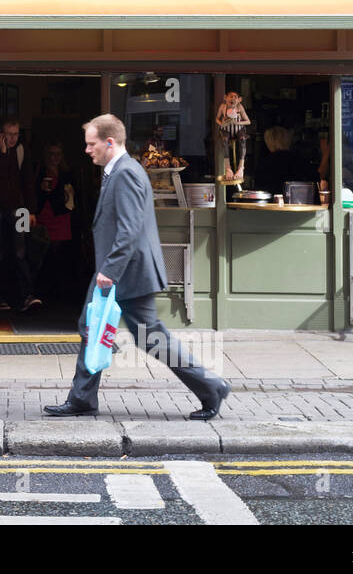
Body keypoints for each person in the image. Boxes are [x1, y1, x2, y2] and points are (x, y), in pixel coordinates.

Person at [45, 114, 231, 420]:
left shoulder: (126, 173)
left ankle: (210, 387)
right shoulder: (116, 171)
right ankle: (82, 398)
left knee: (150, 337)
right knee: (91, 327)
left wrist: (110, 271)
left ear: (109, 142)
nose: (87, 150)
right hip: (117, 269)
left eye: (91, 144)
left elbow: (129, 230)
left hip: (126, 271)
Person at [0, 118, 39, 312]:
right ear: (0, 133)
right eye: (8, 134)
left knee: (22, 251)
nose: (12, 138)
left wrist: (31, 211)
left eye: (16, 134)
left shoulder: (21, 150)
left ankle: (27, 295)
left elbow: (28, 182)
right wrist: (2, 154)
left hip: (21, 209)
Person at [33, 142, 76, 305]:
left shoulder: (67, 172)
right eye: (51, 154)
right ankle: (43, 289)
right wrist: (40, 187)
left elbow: (73, 192)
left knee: (59, 253)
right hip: (45, 214)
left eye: (58, 154)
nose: (55, 157)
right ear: (46, 155)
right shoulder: (39, 170)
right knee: (43, 251)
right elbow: (31, 190)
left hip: (61, 215)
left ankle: (57, 291)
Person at [254, 126, 312, 194]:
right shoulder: (297, 159)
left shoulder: (264, 163)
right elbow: (312, 180)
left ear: (268, 142)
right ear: (287, 139)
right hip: (296, 201)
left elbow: (258, 188)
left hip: (271, 202)